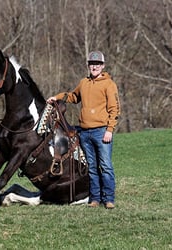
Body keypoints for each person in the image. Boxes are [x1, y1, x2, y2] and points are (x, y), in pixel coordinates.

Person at [46, 51, 120, 209]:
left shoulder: (109, 84)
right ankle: (94, 199)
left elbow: (115, 109)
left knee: (105, 166)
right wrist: (57, 97)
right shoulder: (84, 83)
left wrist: (109, 130)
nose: (95, 67)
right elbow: (73, 96)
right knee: (91, 167)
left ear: (103, 66)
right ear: (88, 65)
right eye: (92, 64)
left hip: (102, 132)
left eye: (98, 64)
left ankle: (109, 199)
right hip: (85, 133)